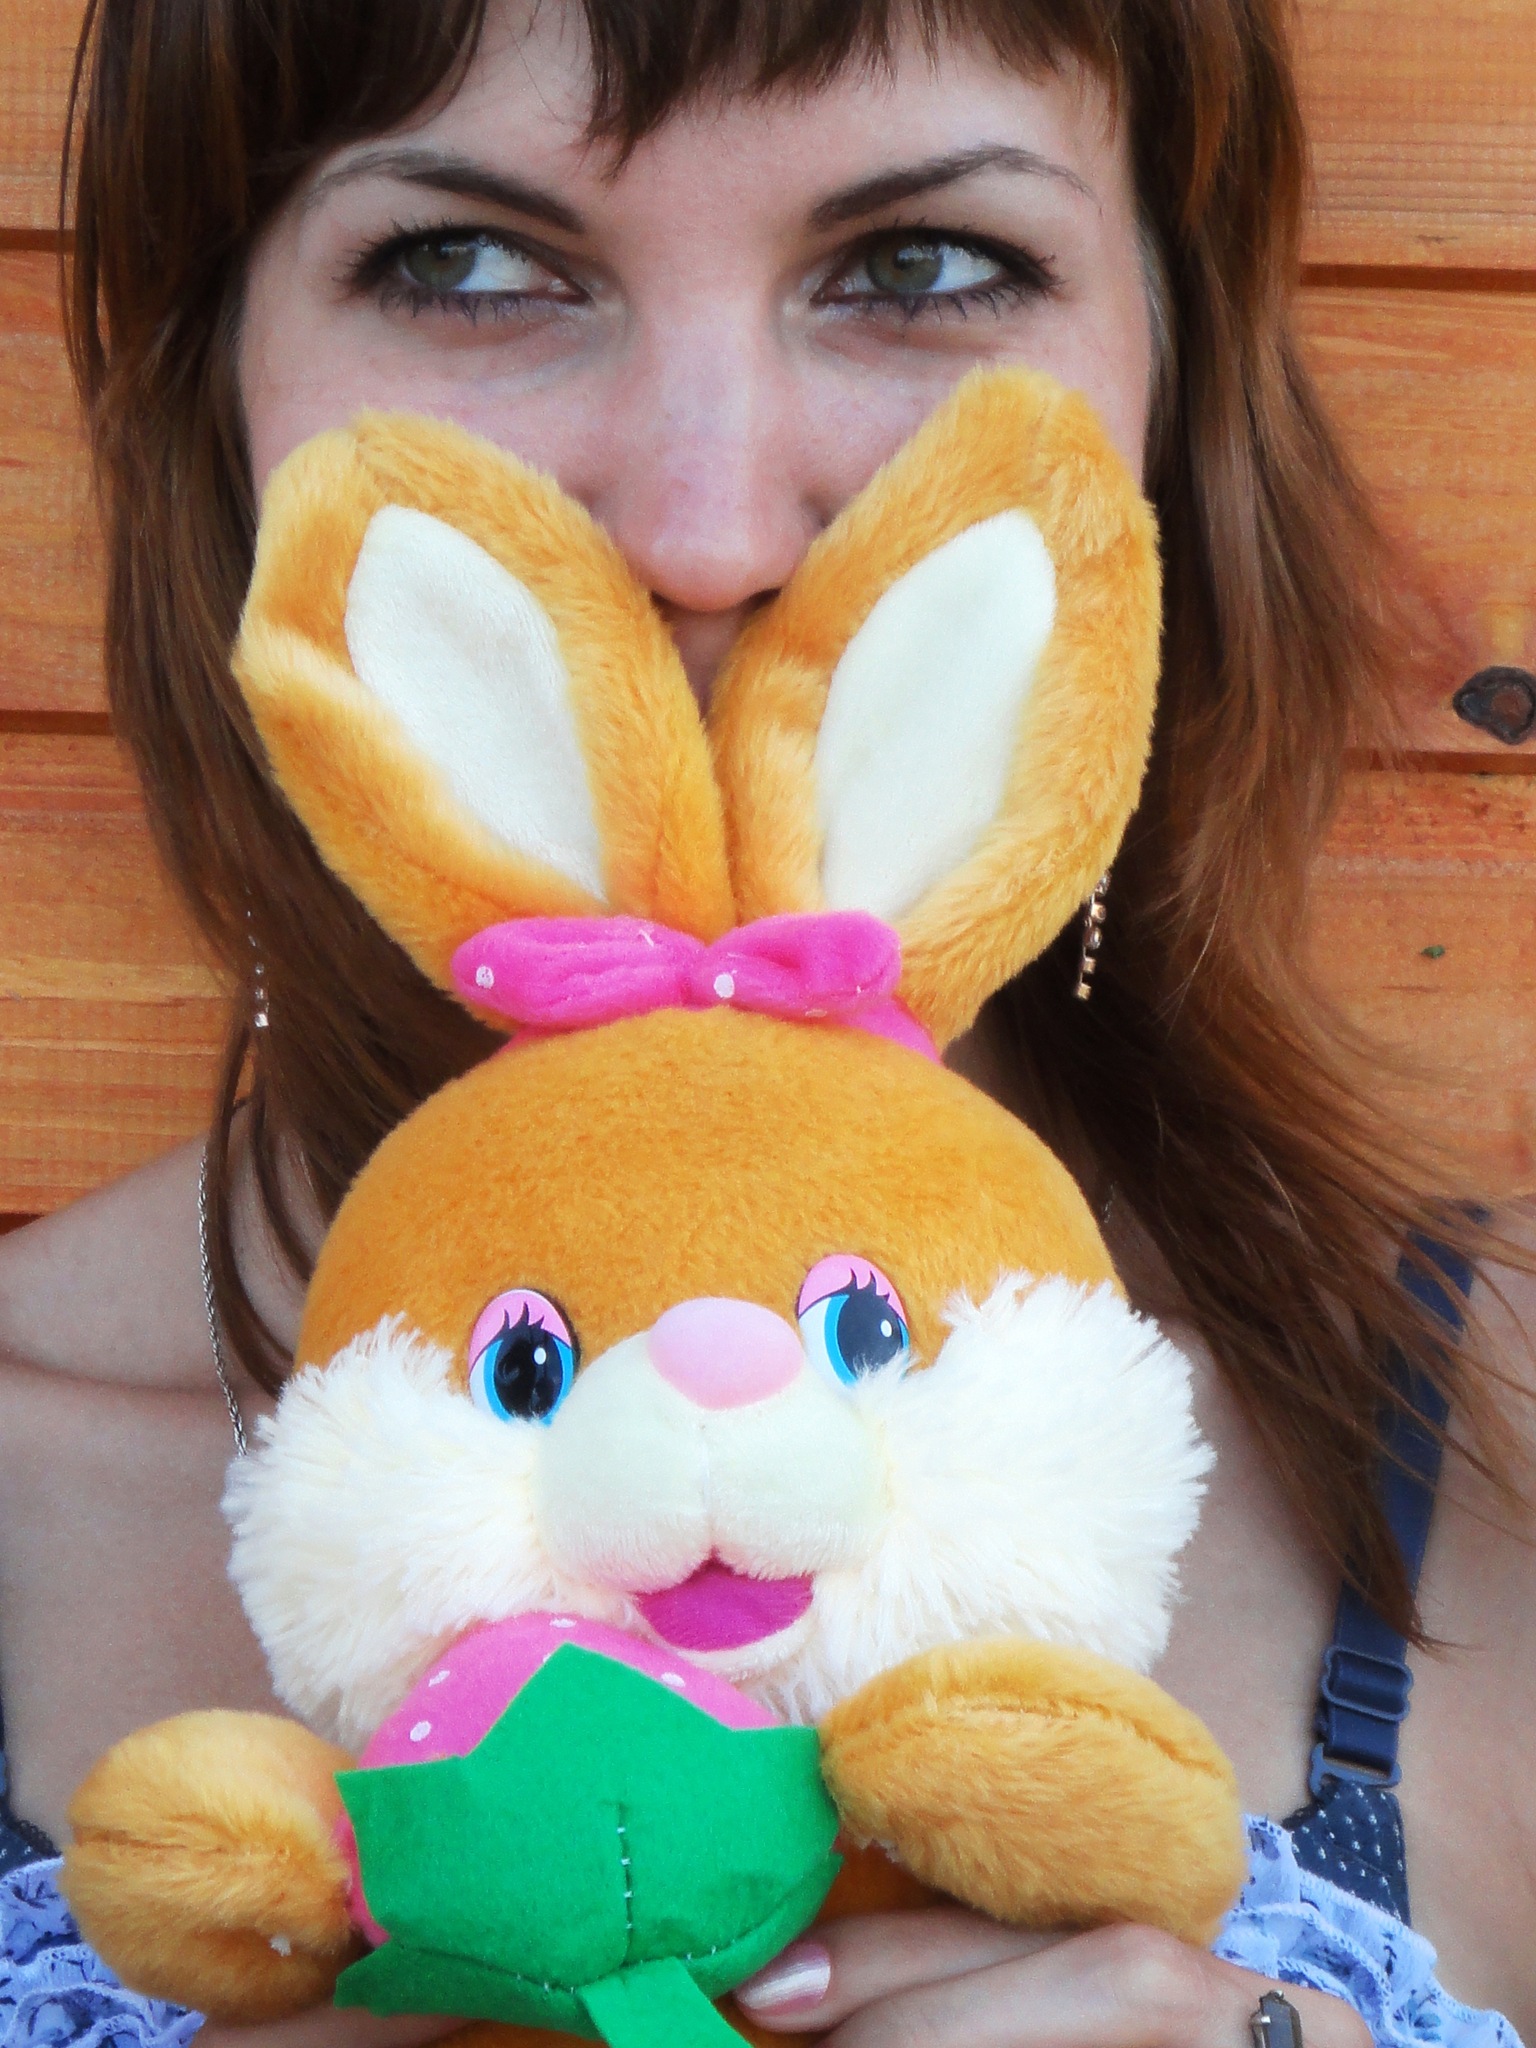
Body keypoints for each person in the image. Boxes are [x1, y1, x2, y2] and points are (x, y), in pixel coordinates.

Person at [0, 0, 1532, 2042]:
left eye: (923, 265)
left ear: (1174, 390)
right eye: (467, 263)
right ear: (220, 405)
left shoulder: (1501, 1440)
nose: (705, 536)